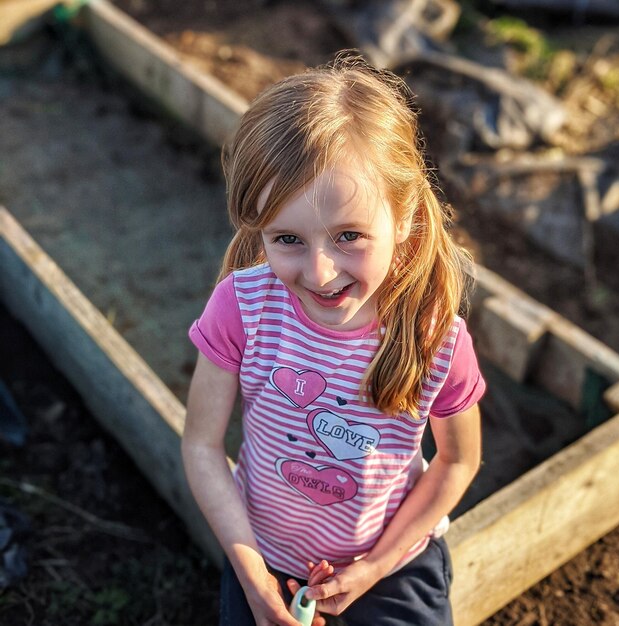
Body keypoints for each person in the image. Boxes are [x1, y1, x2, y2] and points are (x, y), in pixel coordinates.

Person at [181, 54, 485, 626]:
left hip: (390, 564)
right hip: (264, 558)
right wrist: (252, 578)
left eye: (349, 236)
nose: (320, 273)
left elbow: (458, 461)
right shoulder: (241, 307)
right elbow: (201, 446)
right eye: (288, 238)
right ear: (258, 230)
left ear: (406, 218)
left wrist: (372, 569)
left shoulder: (434, 337)